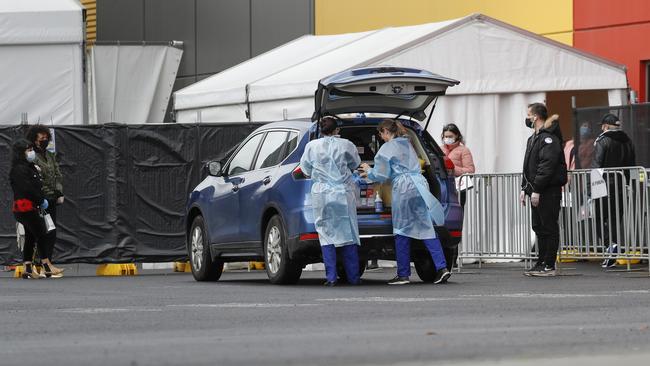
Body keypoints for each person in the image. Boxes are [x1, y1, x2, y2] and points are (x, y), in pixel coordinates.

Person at [360, 119, 450, 285]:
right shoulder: (408, 143)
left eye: (381, 134)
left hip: (404, 187)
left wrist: (368, 171)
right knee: (426, 227)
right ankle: (442, 268)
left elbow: (382, 174)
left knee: (401, 229)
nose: (381, 138)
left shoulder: (387, 148)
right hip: (420, 185)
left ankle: (403, 274)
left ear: (386, 131)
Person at [299, 117, 362, 286]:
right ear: (337, 130)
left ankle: (331, 277)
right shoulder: (346, 144)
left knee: (325, 235)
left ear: (320, 130)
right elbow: (355, 163)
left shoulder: (312, 146)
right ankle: (354, 277)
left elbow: (305, 168)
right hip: (342, 192)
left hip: (322, 194)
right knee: (348, 232)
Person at [520, 103, 567, 277]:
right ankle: (541, 262)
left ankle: (549, 265)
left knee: (549, 226)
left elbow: (546, 166)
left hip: (548, 190)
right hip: (536, 190)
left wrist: (537, 189)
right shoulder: (534, 138)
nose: (526, 118)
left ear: (536, 117)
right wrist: (524, 188)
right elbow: (528, 166)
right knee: (538, 227)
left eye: (528, 115)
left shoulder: (548, 138)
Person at [9, 139, 63, 279]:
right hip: (25, 207)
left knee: (31, 236)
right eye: (28, 150)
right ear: (21, 152)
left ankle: (27, 267)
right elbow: (27, 189)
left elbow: (36, 185)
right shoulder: (19, 169)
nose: (31, 152)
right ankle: (46, 265)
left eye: (31, 149)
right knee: (42, 233)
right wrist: (40, 200)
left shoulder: (28, 166)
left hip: (30, 206)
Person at [591, 113, 636, 268]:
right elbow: (632, 165)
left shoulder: (603, 141)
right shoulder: (628, 141)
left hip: (604, 186)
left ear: (605, 126)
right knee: (616, 219)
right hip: (621, 186)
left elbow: (597, 165)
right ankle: (613, 246)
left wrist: (592, 190)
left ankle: (609, 247)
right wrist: (629, 185)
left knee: (598, 217)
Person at [26, 125, 65, 275]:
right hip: (38, 199)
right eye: (41, 138)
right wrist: (37, 197)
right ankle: (39, 264)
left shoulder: (50, 155)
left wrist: (59, 192)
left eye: (46, 138)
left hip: (52, 198)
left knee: (51, 231)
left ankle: (47, 262)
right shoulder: (30, 155)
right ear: (34, 139)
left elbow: (58, 174)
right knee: (39, 232)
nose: (45, 140)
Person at [441, 123, 475, 206]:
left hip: (459, 188)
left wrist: (452, 169)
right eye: (446, 136)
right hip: (443, 187)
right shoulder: (440, 149)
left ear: (456, 136)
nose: (447, 139)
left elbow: (470, 170)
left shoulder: (464, 150)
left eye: (450, 136)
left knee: (458, 211)